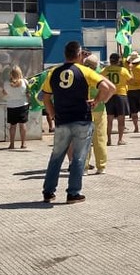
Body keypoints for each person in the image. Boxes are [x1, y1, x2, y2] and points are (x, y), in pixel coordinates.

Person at [40, 41, 115, 203]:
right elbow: (109, 88)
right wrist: (97, 100)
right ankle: (73, 193)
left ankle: (48, 191)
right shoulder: (85, 71)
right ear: (79, 54)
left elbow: (45, 97)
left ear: (65, 54)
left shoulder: (53, 72)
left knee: (56, 157)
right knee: (79, 158)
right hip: (81, 118)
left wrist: (53, 114)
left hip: (62, 119)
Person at [83, 54, 108, 175]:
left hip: (85, 109)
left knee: (84, 139)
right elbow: (108, 88)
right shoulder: (100, 74)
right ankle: (101, 166)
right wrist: (103, 100)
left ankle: (84, 167)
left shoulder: (82, 74)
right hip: (99, 108)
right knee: (100, 138)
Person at [100, 53, 132, 146]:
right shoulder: (123, 70)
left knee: (109, 119)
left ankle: (109, 140)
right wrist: (130, 69)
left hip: (109, 95)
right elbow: (131, 80)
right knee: (121, 119)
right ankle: (120, 139)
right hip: (121, 95)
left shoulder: (104, 70)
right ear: (119, 60)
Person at [3, 65, 29, 150]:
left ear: (11, 74)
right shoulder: (25, 82)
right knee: (23, 125)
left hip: (11, 106)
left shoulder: (6, 83)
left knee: (12, 126)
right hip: (23, 105)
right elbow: (28, 93)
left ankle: (12, 144)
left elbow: (4, 93)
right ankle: (23, 143)